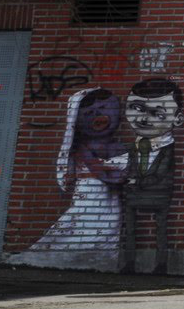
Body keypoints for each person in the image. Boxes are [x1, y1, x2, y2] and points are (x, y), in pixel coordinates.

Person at [17, 88, 129, 268]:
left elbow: (121, 173)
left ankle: (99, 263)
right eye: (89, 113)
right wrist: (105, 168)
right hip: (87, 199)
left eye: (102, 108)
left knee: (108, 231)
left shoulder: (118, 148)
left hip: (110, 202)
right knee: (76, 227)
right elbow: (108, 174)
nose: (97, 115)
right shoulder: (83, 149)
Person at [120, 78, 184, 274]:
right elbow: (126, 166)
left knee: (161, 228)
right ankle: (129, 263)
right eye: (137, 108)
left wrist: (137, 181)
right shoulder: (133, 147)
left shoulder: (168, 149)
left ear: (177, 119)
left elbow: (161, 171)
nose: (144, 119)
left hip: (159, 194)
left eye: (157, 113)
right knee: (129, 228)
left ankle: (161, 264)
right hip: (133, 194)